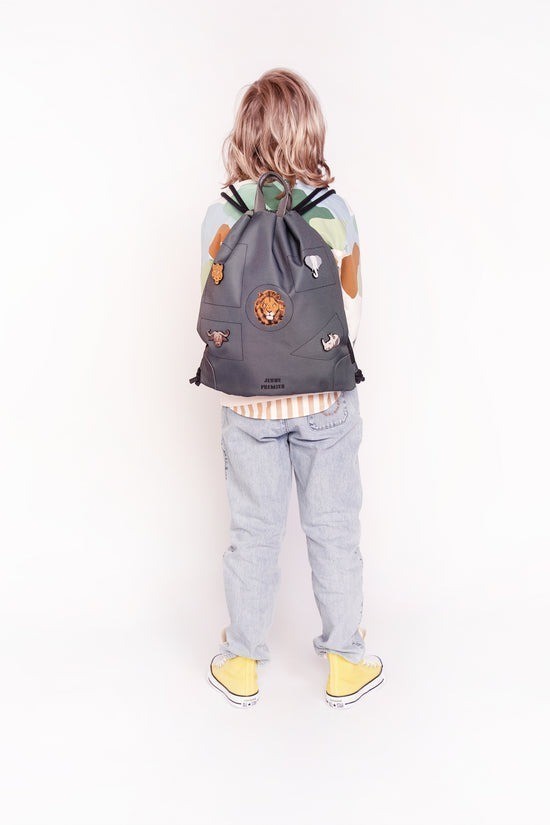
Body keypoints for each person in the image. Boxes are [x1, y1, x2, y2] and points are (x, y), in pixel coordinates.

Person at [200, 68, 383, 708]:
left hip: (247, 403)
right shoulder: (335, 211)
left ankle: (242, 661)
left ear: (243, 134)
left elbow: (217, 309)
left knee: (253, 531)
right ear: (311, 131)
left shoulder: (221, 212)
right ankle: (345, 660)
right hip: (324, 401)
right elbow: (350, 309)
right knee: (333, 530)